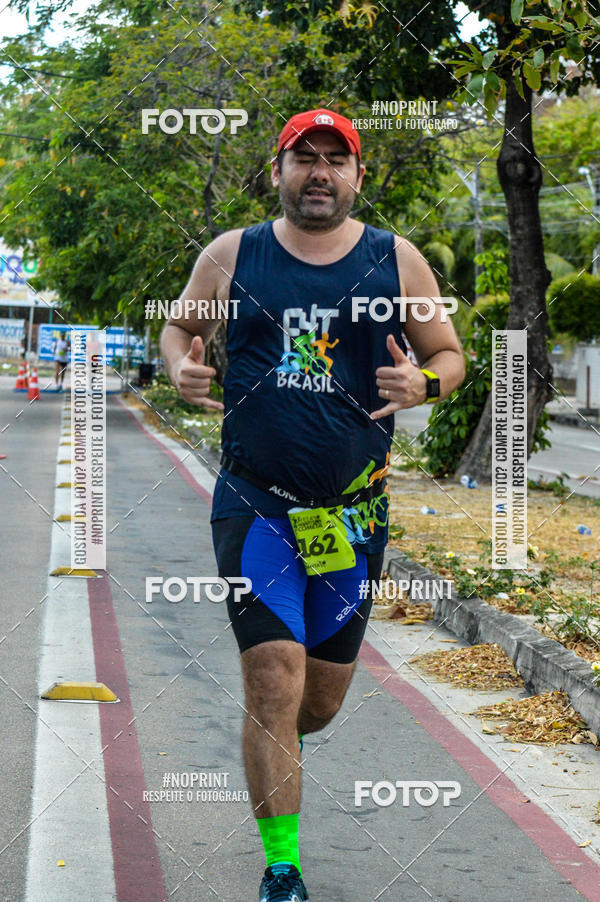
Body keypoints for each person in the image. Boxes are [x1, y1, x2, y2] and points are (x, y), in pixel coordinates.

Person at [160, 108, 465, 901]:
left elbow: (449, 355)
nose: (320, 171)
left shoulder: (395, 261)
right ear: (279, 171)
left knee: (315, 705)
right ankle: (283, 868)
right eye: (305, 158)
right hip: (256, 502)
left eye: (336, 159)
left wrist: (423, 385)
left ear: (358, 176)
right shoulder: (234, 256)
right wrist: (181, 373)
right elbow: (180, 329)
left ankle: (274, 746)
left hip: (353, 517)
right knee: (273, 675)